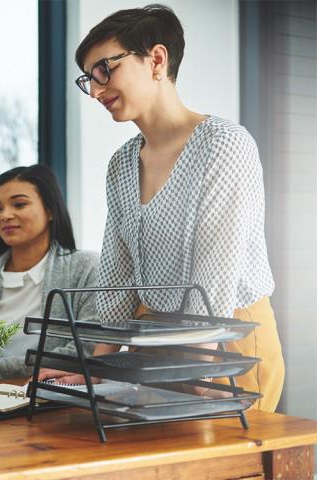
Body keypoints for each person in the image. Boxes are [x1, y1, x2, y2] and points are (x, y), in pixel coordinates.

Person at [41, 5, 284, 412]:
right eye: (89, 79)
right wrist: (97, 366)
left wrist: (202, 366)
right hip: (152, 341)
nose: (97, 91)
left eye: (105, 70)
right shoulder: (121, 164)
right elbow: (117, 281)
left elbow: (215, 275)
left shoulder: (223, 145)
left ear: (156, 59)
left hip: (228, 343)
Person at [0, 165, 99, 380]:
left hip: (54, 399)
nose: (5, 215)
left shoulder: (88, 268)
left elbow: (89, 347)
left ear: (50, 210)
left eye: (19, 204)